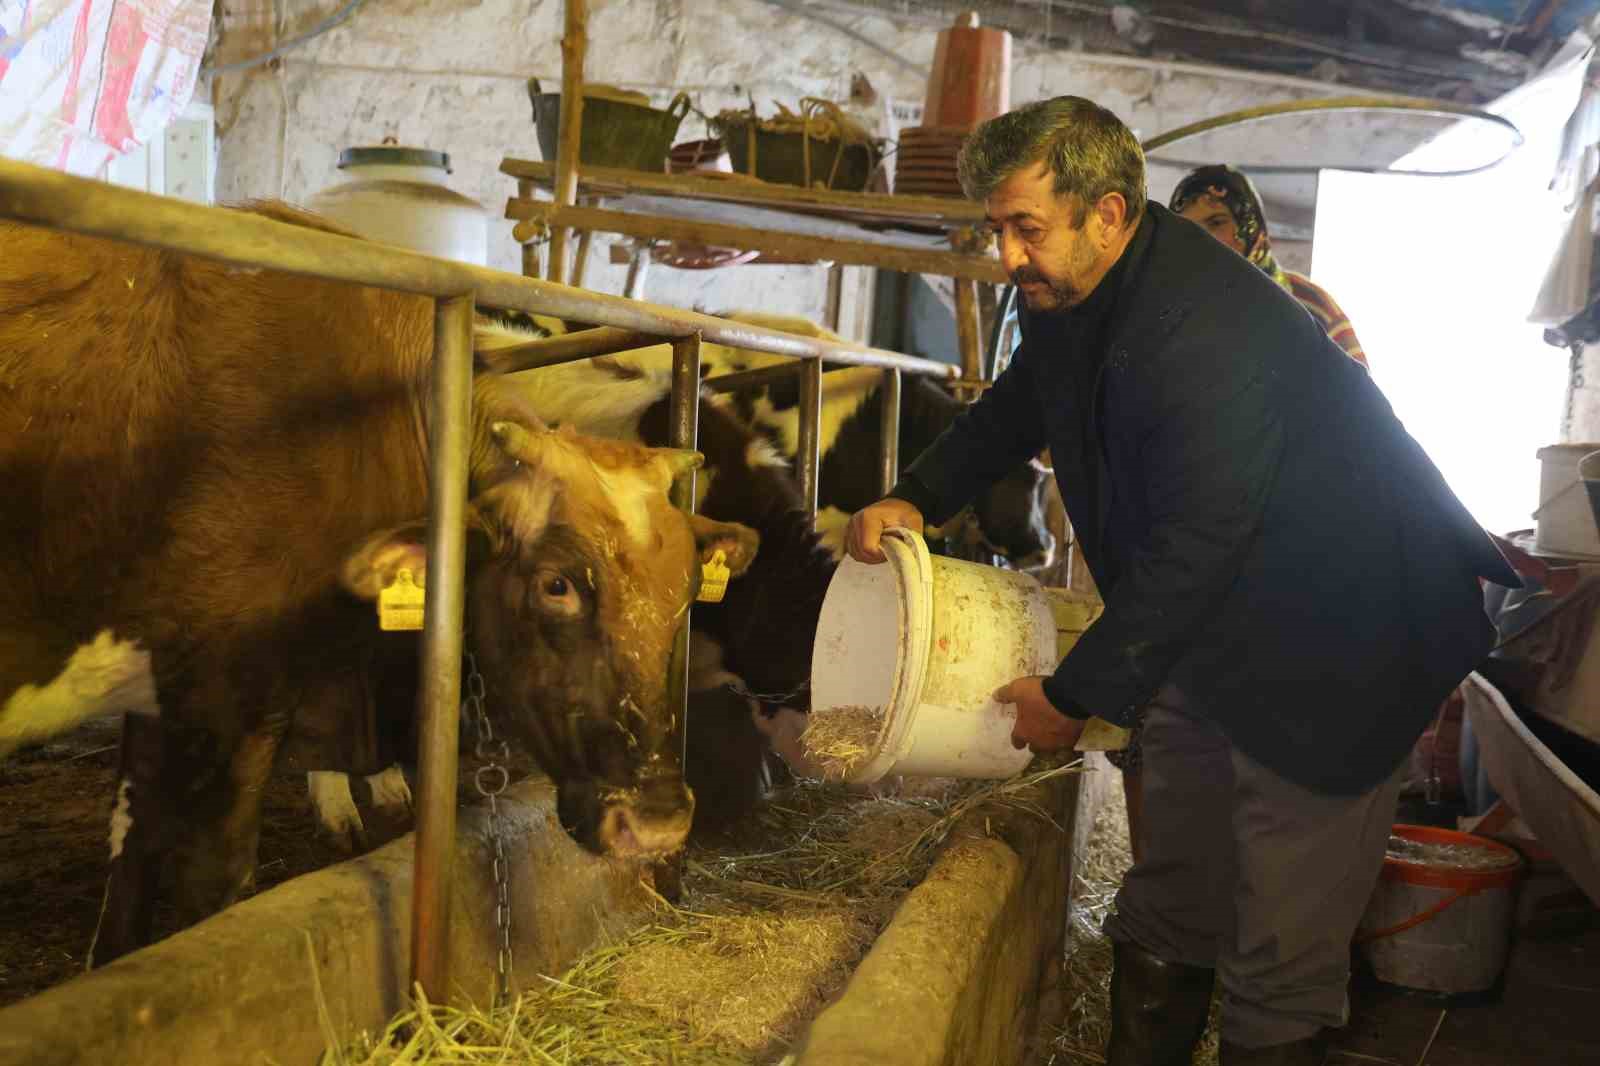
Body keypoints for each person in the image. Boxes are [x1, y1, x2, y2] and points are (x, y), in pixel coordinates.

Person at [845, 97, 1517, 1066]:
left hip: (1343, 644)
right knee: (1173, 890)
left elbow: (1203, 535)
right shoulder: (1074, 299)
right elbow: (1018, 407)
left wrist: (1073, 697)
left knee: (1278, 944)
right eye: (995, 229)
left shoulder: (1204, 327)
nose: (1005, 256)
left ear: (1108, 214)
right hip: (1221, 624)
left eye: (1024, 229)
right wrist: (915, 496)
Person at [1105, 166, 1376, 865]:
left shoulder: (1307, 307)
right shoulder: (1162, 313)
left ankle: (1240, 898)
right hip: (1194, 549)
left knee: (1262, 743)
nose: (1206, 241)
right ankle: (1165, 886)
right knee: (1167, 727)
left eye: (1219, 224)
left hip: (1294, 555)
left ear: (1251, 229)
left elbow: (1361, 427)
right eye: (1188, 228)